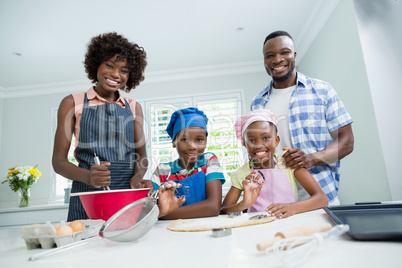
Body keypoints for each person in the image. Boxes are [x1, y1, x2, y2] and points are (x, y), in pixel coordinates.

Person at [53, 32, 155, 221]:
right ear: (96, 64)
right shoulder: (72, 103)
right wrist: (88, 177)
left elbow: (142, 157)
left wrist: (137, 177)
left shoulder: (133, 107)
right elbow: (58, 162)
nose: (116, 74)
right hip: (87, 195)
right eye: (109, 65)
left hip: (127, 196)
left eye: (124, 70)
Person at [250, 30, 354, 205]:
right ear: (264, 61)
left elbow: (347, 141)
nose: (277, 60)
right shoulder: (257, 103)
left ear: (294, 55)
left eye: (284, 52)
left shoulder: (322, 90)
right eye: (270, 55)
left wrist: (310, 159)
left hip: (322, 196)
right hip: (276, 201)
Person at [221, 109, 328, 218]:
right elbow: (222, 211)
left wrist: (293, 207)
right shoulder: (242, 173)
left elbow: (322, 199)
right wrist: (244, 204)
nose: (259, 145)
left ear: (276, 140)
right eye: (252, 140)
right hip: (257, 229)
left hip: (288, 226)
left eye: (266, 138)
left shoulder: (288, 161)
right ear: (244, 144)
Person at [150, 107, 226, 220]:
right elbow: (150, 211)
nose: (192, 147)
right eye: (184, 140)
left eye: (199, 140)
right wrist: (159, 213)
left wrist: (165, 213)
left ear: (205, 141)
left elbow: (213, 207)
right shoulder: (162, 170)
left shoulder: (209, 160)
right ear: (174, 142)